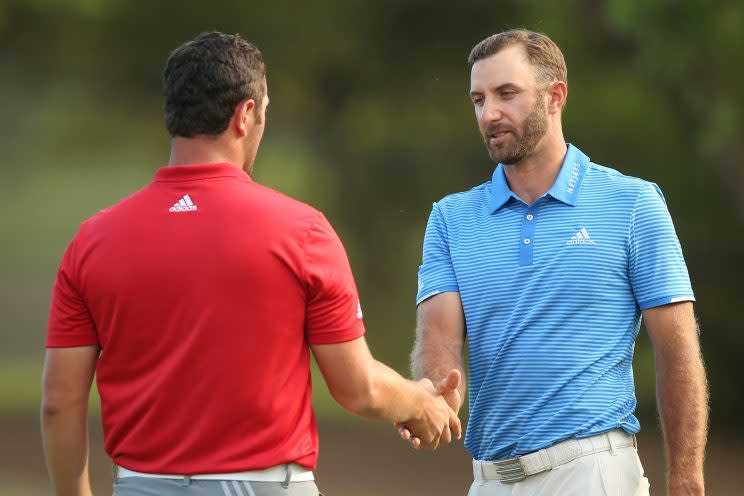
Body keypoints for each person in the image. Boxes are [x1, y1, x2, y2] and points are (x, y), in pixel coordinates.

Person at [41, 31, 460, 496]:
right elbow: (357, 387)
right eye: (264, 114)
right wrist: (422, 404)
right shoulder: (303, 231)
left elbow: (59, 403)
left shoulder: (92, 241)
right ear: (245, 115)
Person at [401, 29, 708, 495]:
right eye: (478, 99)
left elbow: (677, 348)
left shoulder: (632, 203)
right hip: (489, 479)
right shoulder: (450, 218)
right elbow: (439, 338)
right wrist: (435, 400)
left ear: (554, 97)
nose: (490, 113)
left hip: (592, 472)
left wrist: (686, 477)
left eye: (507, 94)